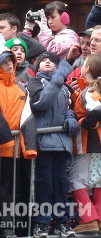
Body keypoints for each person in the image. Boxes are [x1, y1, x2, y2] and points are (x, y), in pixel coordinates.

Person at [0, 47, 37, 237]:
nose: (9, 64)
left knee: (10, 189)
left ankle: (8, 226)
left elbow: (28, 117)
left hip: (14, 148)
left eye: (11, 60)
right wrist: (6, 138)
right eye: (4, 61)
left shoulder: (21, 87)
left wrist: (30, 147)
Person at [27, 52, 79, 238]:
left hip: (62, 143)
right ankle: (42, 223)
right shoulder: (35, 83)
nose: (47, 62)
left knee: (61, 185)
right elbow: (40, 104)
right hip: (44, 143)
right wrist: (58, 80)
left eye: (51, 60)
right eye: (43, 60)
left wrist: (71, 118)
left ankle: (61, 223)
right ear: (37, 66)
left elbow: (68, 109)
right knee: (45, 184)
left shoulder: (64, 88)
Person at [69, 54, 101, 233]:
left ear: (87, 69)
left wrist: (83, 123)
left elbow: (96, 110)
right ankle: (97, 219)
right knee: (98, 181)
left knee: (76, 180)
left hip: (90, 142)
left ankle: (88, 219)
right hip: (96, 143)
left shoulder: (90, 90)